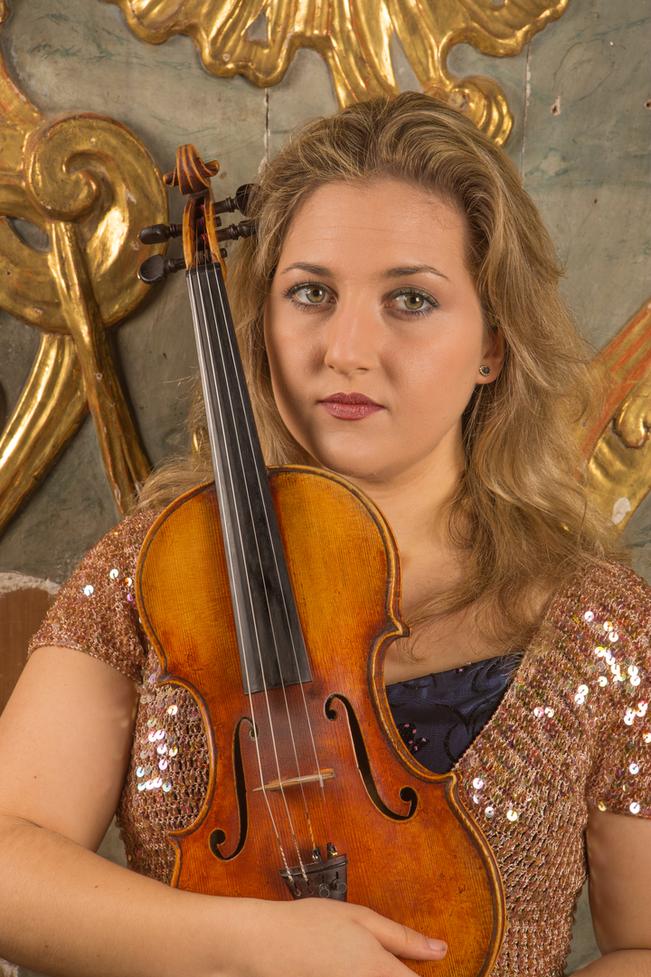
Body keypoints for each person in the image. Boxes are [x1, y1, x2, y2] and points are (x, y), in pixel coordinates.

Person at [0, 91, 649, 977]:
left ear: (492, 345)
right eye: (310, 293)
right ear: (262, 321)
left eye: (410, 299)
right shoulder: (159, 564)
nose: (345, 349)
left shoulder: (597, 618)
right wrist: (246, 945)